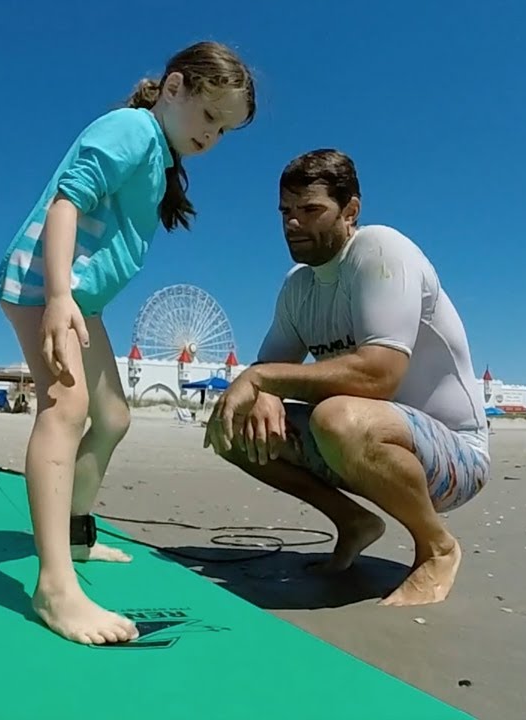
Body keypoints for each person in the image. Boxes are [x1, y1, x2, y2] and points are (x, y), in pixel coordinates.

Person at [0, 41, 256, 645]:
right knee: (67, 410)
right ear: (174, 87)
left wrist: (74, 298)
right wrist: (58, 296)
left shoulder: (158, 156)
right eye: (210, 116)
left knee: (112, 416)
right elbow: (68, 200)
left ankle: (76, 540)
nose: (213, 136)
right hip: (43, 286)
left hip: (78, 299)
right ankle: (54, 588)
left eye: (225, 130)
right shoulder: (133, 129)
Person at [204, 149, 490, 607]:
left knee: (338, 417)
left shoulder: (380, 251)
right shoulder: (299, 287)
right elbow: (265, 375)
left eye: (311, 210)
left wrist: (264, 380)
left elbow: (380, 375)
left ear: (351, 211)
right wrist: (259, 390)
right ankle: (354, 522)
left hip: (455, 459)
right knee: (232, 425)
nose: (293, 224)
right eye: (286, 212)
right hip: (363, 445)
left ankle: (437, 547)